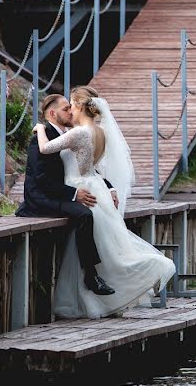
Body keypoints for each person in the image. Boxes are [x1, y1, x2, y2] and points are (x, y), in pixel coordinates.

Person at [34, 85, 176, 319]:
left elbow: (45, 148)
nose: (70, 110)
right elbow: (95, 167)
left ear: (80, 106)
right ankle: (98, 297)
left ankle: (90, 296)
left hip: (81, 186)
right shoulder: (100, 132)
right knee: (105, 247)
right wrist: (109, 187)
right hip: (96, 187)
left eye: (72, 104)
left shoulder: (79, 133)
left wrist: (40, 128)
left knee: (94, 250)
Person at [15, 93, 116, 296]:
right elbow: (41, 179)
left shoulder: (70, 133)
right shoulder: (41, 137)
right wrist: (73, 194)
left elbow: (85, 168)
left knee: (100, 211)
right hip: (41, 200)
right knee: (85, 215)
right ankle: (91, 275)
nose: (70, 111)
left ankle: (107, 271)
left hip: (62, 193)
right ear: (52, 113)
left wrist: (109, 187)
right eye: (65, 109)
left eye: (70, 108)